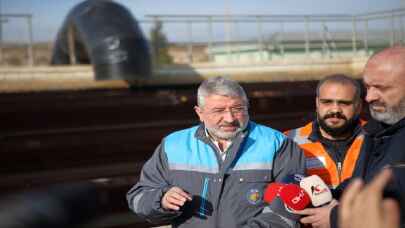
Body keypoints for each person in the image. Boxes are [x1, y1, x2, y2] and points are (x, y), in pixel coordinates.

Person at [126, 76, 306, 228]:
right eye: (218, 111)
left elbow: (291, 202)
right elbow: (138, 196)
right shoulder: (173, 145)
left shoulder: (277, 143)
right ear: (200, 113)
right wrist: (162, 200)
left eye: (238, 109)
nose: (229, 118)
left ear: (247, 106)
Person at [285, 74, 365, 228]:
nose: (335, 109)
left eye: (344, 103)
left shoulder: (379, 139)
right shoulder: (289, 142)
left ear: (359, 106)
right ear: (317, 103)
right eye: (327, 102)